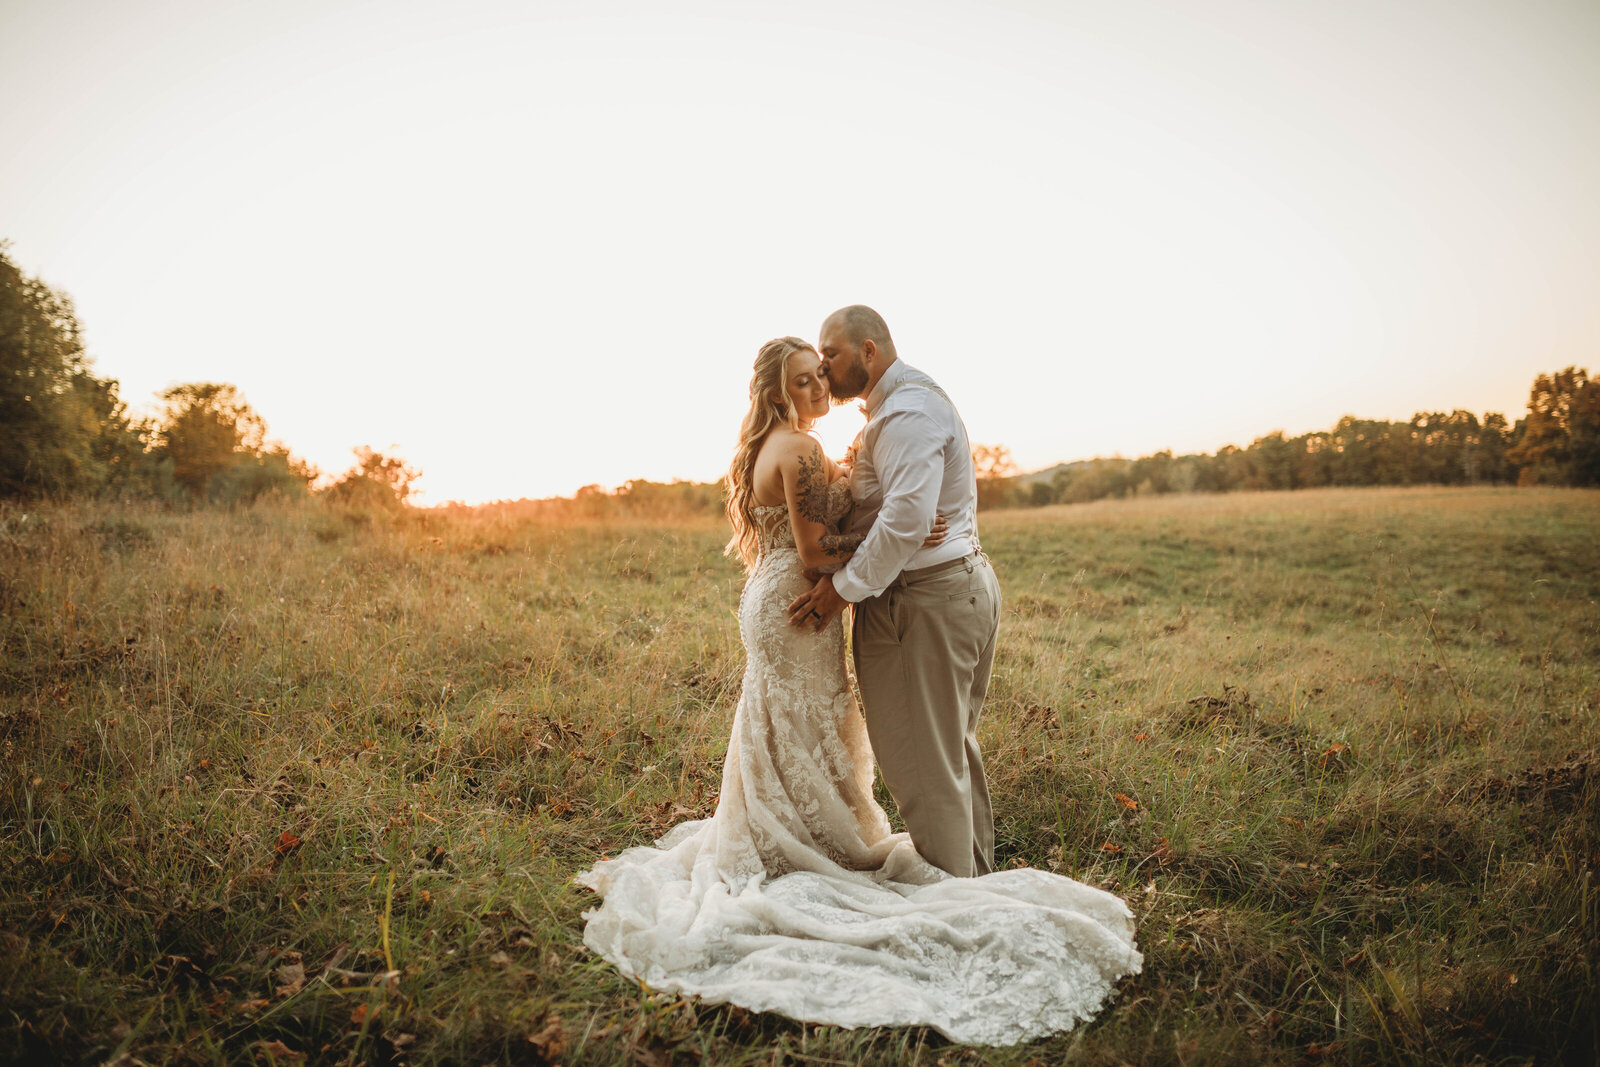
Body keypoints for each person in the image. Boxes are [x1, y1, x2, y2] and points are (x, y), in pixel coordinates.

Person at [576, 334, 1141, 1046]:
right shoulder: (802, 449)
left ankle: (794, 832)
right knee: (805, 722)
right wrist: (890, 527)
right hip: (797, 601)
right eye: (808, 381)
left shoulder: (767, 445)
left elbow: (804, 534)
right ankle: (811, 844)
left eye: (822, 376)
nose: (822, 390)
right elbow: (815, 551)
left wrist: (879, 522)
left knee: (786, 723)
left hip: (772, 597)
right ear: (781, 390)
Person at [787, 304, 997, 878]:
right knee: (950, 752)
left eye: (830, 353)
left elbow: (907, 520)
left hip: (921, 601)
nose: (824, 367)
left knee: (925, 768)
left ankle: (953, 908)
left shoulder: (905, 412)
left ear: (869, 350)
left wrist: (842, 591)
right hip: (946, 588)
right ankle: (973, 883)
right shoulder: (900, 407)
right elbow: (900, 511)